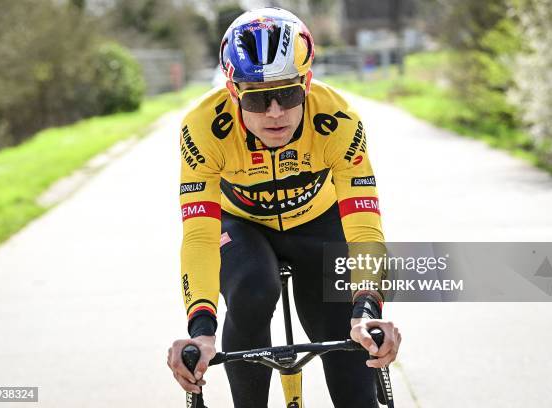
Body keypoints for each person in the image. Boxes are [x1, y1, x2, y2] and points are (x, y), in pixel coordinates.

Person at [167, 7, 401, 407]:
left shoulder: (339, 119)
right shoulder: (202, 128)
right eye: (257, 100)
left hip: (319, 221)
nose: (275, 112)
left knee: (344, 331)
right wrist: (201, 328)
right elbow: (200, 234)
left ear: (307, 83)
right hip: (242, 224)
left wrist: (367, 308)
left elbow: (363, 225)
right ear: (233, 91)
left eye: (288, 94)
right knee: (253, 289)